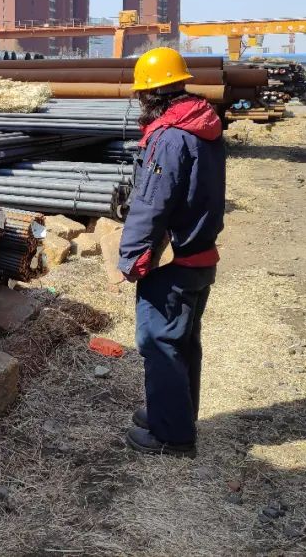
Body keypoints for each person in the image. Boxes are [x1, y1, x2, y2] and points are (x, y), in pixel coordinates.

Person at [118, 47, 226, 456]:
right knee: (183, 341)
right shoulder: (203, 124)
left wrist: (132, 255)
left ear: (151, 94)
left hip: (172, 259)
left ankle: (172, 436)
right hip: (199, 253)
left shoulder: (170, 138)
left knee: (160, 343)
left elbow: (152, 203)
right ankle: (176, 415)